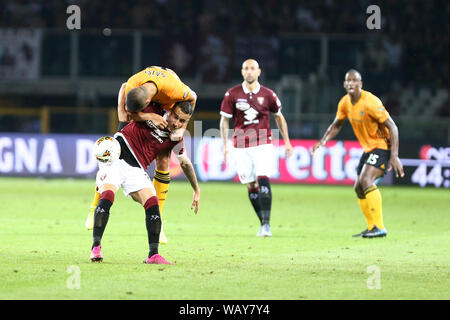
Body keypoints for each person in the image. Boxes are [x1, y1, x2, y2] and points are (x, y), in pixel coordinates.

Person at [86, 66, 197, 245]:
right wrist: (141, 115)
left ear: (148, 101)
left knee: (163, 161)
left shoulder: (175, 90)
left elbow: (194, 98)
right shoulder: (133, 84)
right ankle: (94, 207)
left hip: (163, 103)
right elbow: (124, 90)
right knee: (112, 154)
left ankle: (158, 223)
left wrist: (182, 127)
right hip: (146, 105)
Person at [90, 100, 200, 264]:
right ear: (169, 111)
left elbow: (185, 163)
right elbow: (129, 108)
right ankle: (96, 247)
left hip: (136, 168)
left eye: (182, 121)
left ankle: (153, 255)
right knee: (108, 195)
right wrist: (150, 116)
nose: (176, 122)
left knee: (152, 203)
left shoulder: (176, 139)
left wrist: (196, 190)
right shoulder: (153, 108)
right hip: (117, 154)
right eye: (175, 117)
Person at [311, 69, 404, 238]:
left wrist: (394, 155)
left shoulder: (371, 102)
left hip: (383, 146)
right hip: (369, 148)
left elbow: (393, 126)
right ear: (344, 84)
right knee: (358, 187)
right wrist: (323, 141)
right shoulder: (345, 103)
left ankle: (380, 227)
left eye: (355, 80)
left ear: (361, 84)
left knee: (366, 180)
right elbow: (336, 125)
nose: (351, 83)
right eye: (348, 80)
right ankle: (371, 228)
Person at [219, 59, 293, 237]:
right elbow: (224, 120)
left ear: (259, 71)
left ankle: (267, 225)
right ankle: (263, 223)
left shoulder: (268, 95)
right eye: (246, 68)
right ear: (242, 71)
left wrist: (287, 141)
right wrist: (225, 145)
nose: (249, 72)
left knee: (263, 178)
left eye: (253, 69)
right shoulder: (232, 94)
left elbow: (279, 117)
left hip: (263, 143)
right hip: (240, 146)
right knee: (251, 185)